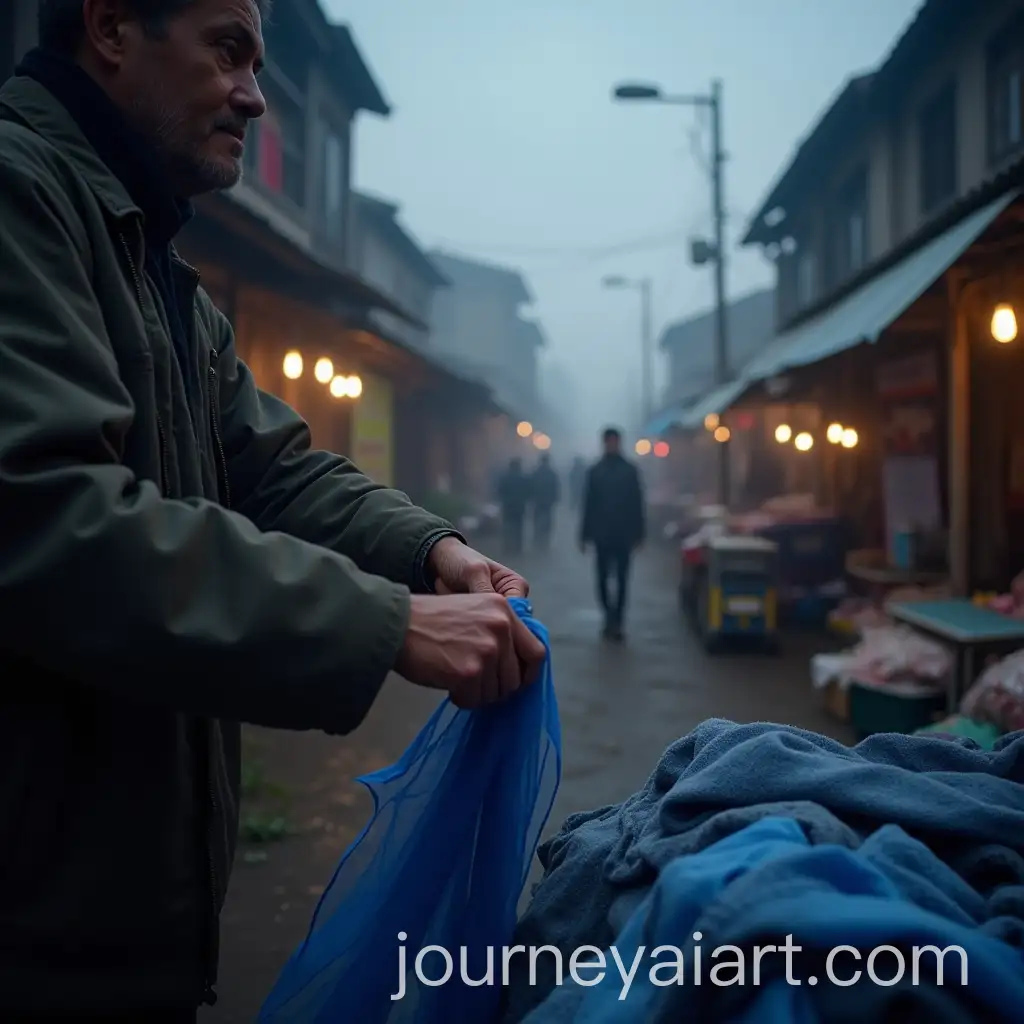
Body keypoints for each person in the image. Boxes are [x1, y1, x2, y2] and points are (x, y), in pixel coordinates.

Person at [0, 2, 546, 1020]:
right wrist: (386, 624)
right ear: (111, 27)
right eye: (229, 51)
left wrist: (433, 551)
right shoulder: (21, 197)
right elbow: (44, 518)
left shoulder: (158, 271)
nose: (256, 98)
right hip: (32, 912)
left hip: (116, 902)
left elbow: (272, 467)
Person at [579, 427, 646, 640]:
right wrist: (583, 535)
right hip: (602, 535)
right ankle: (608, 615)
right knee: (601, 579)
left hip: (624, 535)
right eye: (609, 441)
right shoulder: (595, 471)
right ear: (604, 443)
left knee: (623, 580)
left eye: (615, 441)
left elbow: (637, 504)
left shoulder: (630, 470)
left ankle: (618, 621)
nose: (612, 445)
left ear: (619, 443)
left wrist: (640, 533)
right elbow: (588, 505)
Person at [496, 456, 531, 554]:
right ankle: (518, 547)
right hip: (520, 506)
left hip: (508, 506)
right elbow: (529, 492)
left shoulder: (504, 478)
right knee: (519, 528)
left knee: (507, 526)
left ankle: (507, 546)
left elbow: (499, 491)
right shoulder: (524, 478)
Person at [529, 452, 561, 551]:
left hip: (538, 501)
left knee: (537, 521)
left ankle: (537, 540)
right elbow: (556, 487)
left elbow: (531, 487)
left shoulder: (535, 472)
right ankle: (545, 542)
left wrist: (531, 498)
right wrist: (556, 499)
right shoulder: (552, 473)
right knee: (547, 522)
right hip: (548, 502)